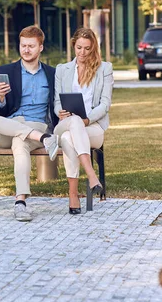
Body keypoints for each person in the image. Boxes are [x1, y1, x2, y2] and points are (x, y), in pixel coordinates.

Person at [0, 25, 58, 222]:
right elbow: (0, 112)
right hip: (10, 125)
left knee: (19, 142)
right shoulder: (6, 71)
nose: (26, 50)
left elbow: (58, 104)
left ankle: (20, 202)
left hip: (37, 124)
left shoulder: (52, 73)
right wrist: (1, 97)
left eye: (31, 46)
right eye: (23, 45)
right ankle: (44, 139)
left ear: (41, 47)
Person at [43, 27, 113, 214]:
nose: (82, 53)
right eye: (79, 48)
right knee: (72, 123)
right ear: (74, 46)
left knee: (68, 138)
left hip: (93, 127)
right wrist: (61, 112)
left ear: (94, 48)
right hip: (65, 122)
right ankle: (91, 176)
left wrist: (87, 120)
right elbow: (57, 101)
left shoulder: (104, 69)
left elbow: (105, 104)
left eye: (87, 49)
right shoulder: (62, 70)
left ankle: (73, 194)